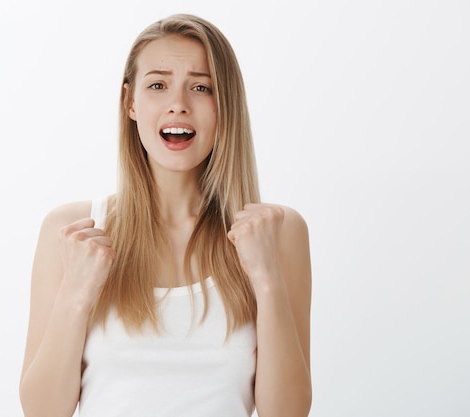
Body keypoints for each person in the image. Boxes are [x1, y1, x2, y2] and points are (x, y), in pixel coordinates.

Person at [19, 13, 312, 417]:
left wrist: (266, 279)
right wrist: (75, 294)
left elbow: (288, 413)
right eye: (158, 85)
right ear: (131, 103)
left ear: (225, 104)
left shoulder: (278, 233)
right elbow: (42, 411)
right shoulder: (70, 233)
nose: (178, 104)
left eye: (201, 87)